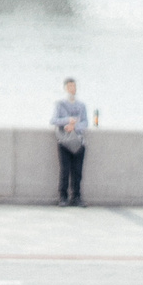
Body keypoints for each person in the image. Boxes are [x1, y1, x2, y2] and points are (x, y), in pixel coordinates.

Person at [53, 79, 90, 207]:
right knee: (64, 170)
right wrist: (67, 121)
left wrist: (75, 127)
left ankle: (76, 196)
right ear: (65, 88)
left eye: (74, 86)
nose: (72, 88)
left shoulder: (81, 105)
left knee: (77, 171)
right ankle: (63, 197)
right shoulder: (60, 104)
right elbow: (54, 120)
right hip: (64, 141)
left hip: (78, 141)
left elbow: (85, 122)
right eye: (69, 86)